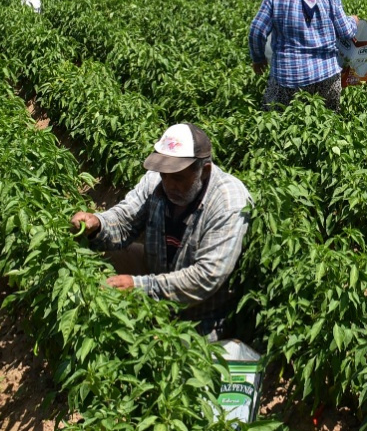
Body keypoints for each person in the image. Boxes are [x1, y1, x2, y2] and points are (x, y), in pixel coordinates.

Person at [69, 123, 250, 340]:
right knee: (100, 253)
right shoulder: (158, 179)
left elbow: (206, 276)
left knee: (184, 363)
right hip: (159, 274)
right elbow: (126, 218)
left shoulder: (229, 201)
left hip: (201, 313)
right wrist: (97, 223)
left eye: (179, 177)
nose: (168, 183)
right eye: (165, 174)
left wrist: (139, 286)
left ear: (205, 171)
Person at [248, 0, 357, 112]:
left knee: (278, 122)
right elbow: (346, 32)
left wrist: (258, 59)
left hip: (288, 78)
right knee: (327, 122)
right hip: (327, 76)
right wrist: (353, 21)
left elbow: (257, 31)